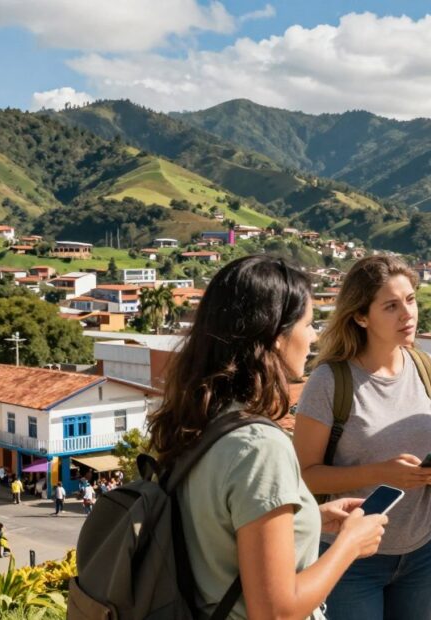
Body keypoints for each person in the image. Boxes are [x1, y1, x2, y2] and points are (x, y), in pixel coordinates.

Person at [147, 255, 388, 620]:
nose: (314, 336)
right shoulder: (260, 447)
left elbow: (216, 532)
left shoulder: (199, 420)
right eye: (308, 324)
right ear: (277, 337)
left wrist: (307, 519)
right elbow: (276, 611)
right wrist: (350, 544)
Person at [294, 255, 431, 620]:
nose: (407, 314)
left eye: (411, 300)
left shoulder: (429, 370)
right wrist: (379, 473)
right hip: (350, 556)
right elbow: (304, 475)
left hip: (421, 549)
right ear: (361, 316)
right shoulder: (330, 382)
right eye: (391, 306)